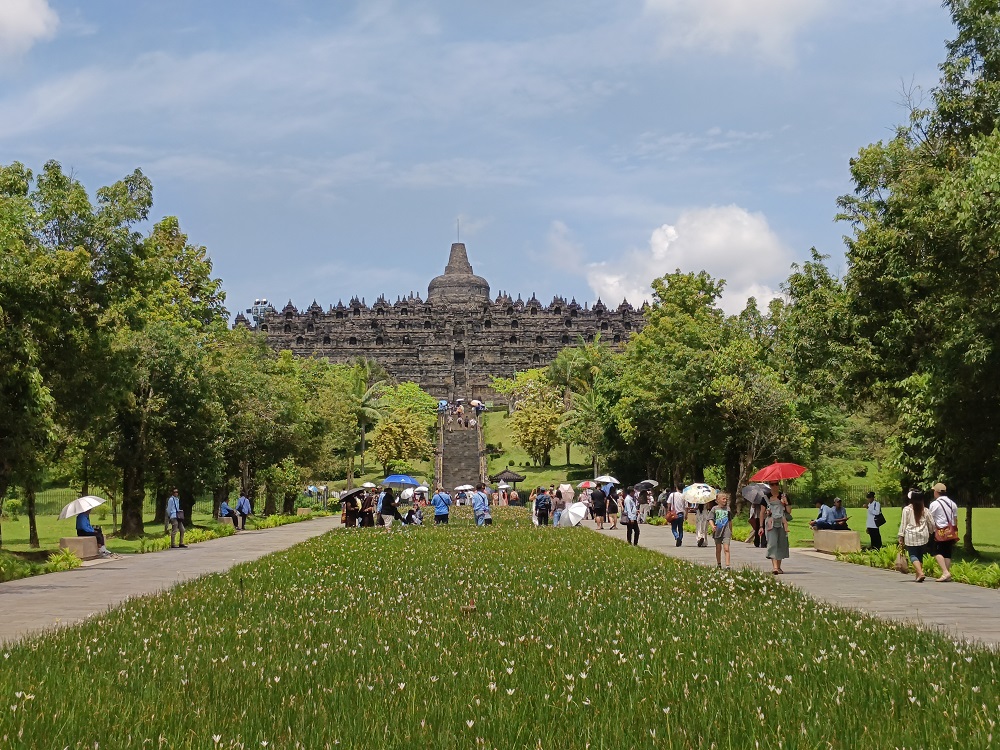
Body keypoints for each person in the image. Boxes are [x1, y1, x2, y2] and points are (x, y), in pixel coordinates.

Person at [898, 488, 934, 582]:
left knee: (913, 555)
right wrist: (931, 531)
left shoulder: (907, 510)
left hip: (911, 536)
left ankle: (920, 572)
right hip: (923, 536)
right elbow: (931, 523)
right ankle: (918, 575)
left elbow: (903, 523)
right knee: (920, 555)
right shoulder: (925, 510)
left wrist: (901, 536)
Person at [929, 482, 958, 583]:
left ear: (936, 492)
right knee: (947, 553)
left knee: (936, 552)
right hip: (950, 531)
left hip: (940, 531)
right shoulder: (952, 503)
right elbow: (955, 519)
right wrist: (955, 531)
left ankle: (945, 572)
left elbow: (930, 518)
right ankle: (947, 573)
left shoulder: (935, 504)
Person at [759, 487, 789, 574]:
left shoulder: (783, 496)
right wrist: (761, 526)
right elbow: (762, 512)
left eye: (776, 483)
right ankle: (775, 567)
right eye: (772, 484)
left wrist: (785, 503)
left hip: (781, 522)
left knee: (781, 543)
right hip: (770, 523)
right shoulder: (765, 498)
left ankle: (779, 567)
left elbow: (789, 511)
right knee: (772, 543)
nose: (774, 485)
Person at [709, 492, 734, 569]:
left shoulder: (728, 509)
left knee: (726, 548)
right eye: (723, 499)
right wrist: (712, 526)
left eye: (726, 499)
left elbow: (730, 521)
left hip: (726, 531)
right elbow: (710, 519)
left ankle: (727, 565)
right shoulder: (714, 509)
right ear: (718, 500)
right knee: (718, 548)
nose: (725, 500)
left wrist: (730, 531)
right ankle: (719, 564)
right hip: (717, 531)